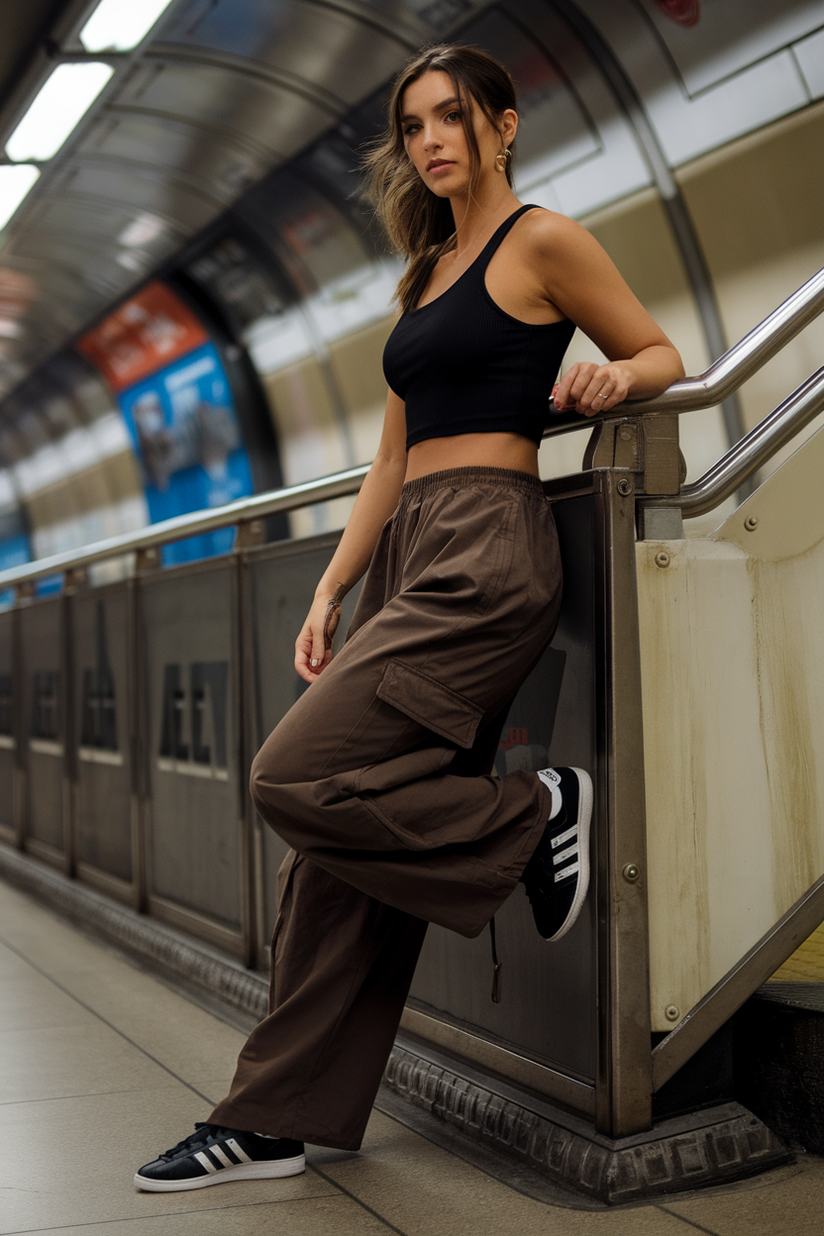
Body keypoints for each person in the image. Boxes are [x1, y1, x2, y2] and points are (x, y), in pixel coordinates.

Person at [134, 43, 684, 1192]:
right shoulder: (422, 271)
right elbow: (390, 455)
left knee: (291, 777)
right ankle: (276, 1118)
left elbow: (657, 349)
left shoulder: (539, 239)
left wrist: (610, 382)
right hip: (409, 553)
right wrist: (336, 584)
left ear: (501, 123)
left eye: (451, 117)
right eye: (414, 124)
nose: (431, 139)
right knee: (333, 869)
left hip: (487, 551)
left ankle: (533, 817)